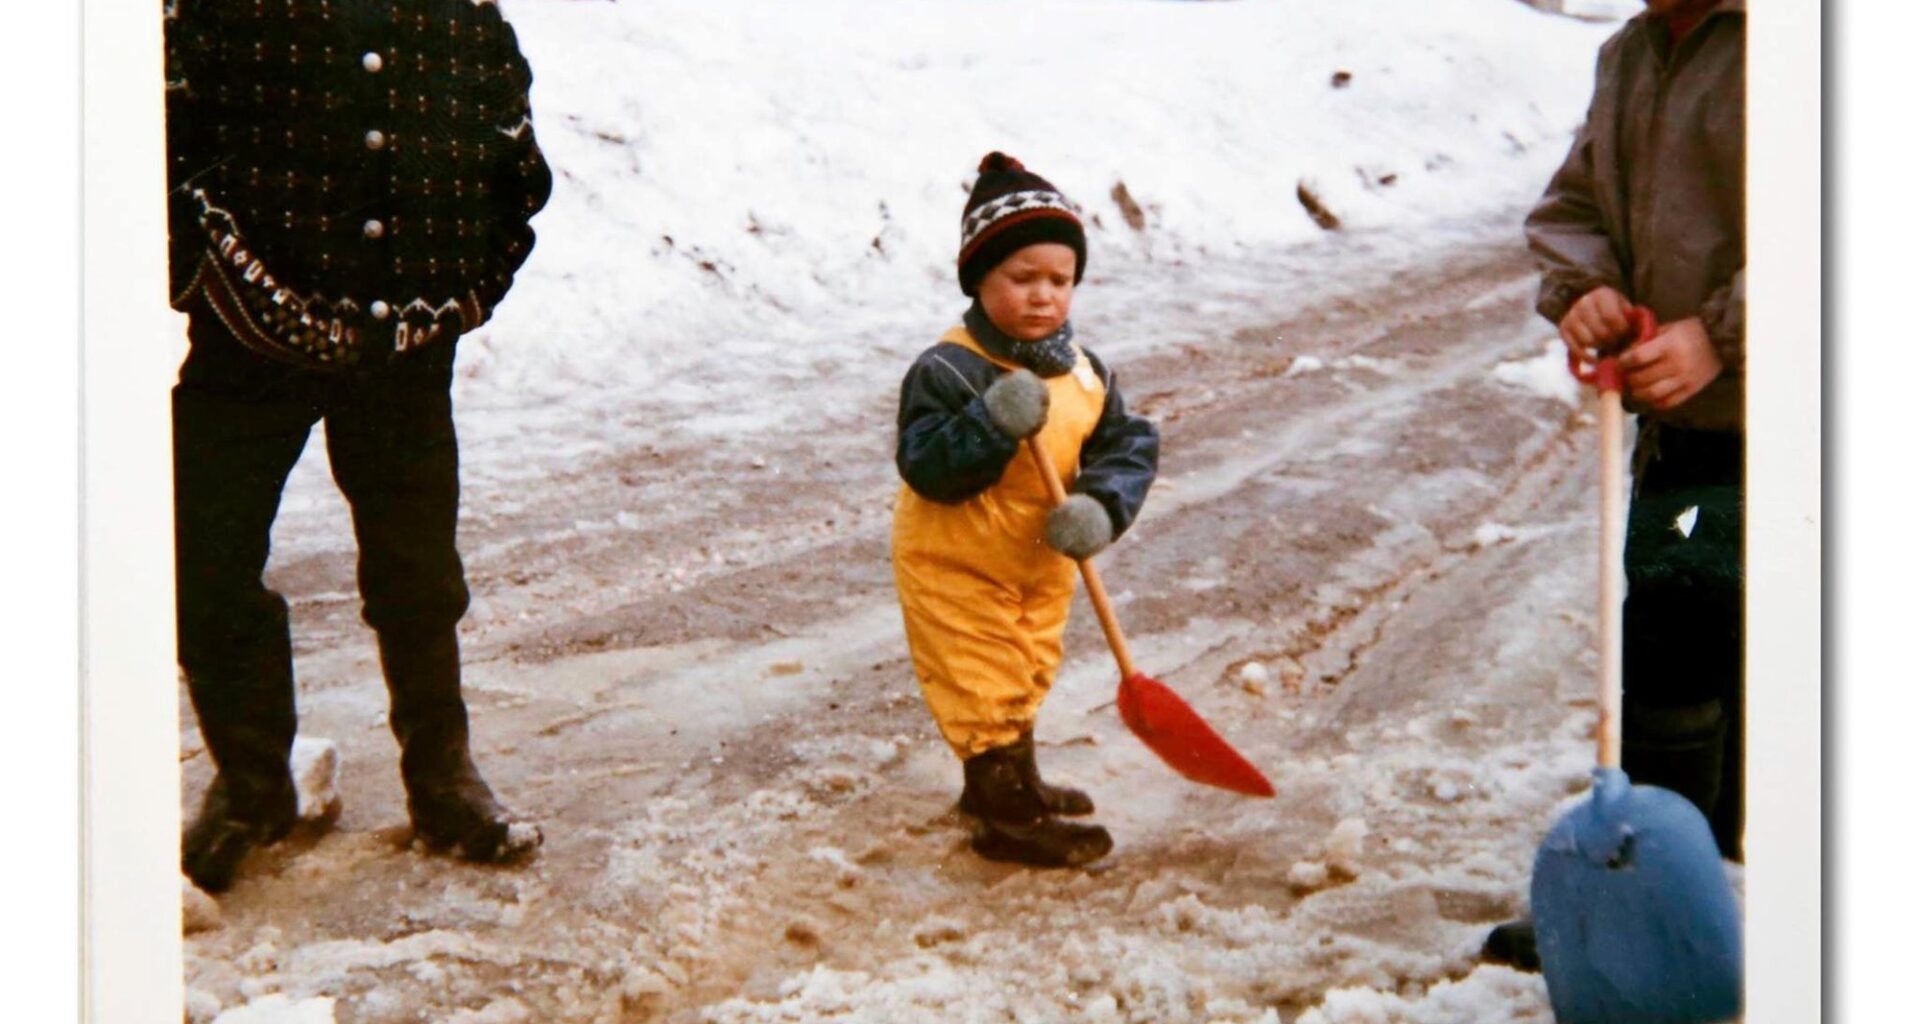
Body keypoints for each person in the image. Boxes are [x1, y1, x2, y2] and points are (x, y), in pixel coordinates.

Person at [165, 0, 554, 892]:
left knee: (418, 572)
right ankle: (253, 785)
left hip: (405, 350)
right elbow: (165, 144)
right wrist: (228, 282)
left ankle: (444, 779)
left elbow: (511, 155)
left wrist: (461, 289)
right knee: (200, 556)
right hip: (246, 346)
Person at [1485, 0, 1745, 970]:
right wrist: (1586, 289)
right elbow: (1577, 205)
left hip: (1797, 430)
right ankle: (1664, 897)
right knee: (1672, 648)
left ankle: (1726, 899)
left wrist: (1725, 335)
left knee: (1766, 660)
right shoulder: (1632, 54)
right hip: (1686, 437)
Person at [891, 153, 1160, 869]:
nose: (1043, 296)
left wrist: (1101, 506)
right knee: (982, 683)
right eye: (1022, 278)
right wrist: (989, 421)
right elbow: (927, 468)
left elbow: (1127, 445)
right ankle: (1007, 822)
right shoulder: (948, 369)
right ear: (980, 278)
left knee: (1028, 667)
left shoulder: (1086, 371)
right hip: (957, 564)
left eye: (1059, 280)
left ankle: (1011, 784)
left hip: (1039, 559)